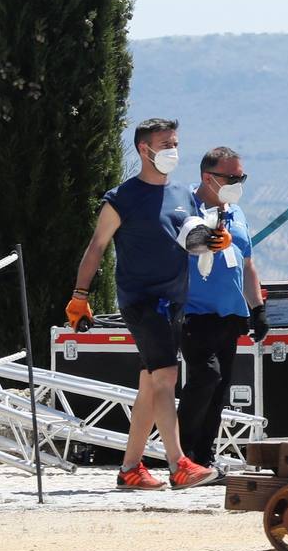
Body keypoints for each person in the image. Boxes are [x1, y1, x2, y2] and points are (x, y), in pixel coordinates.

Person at [65, 118, 226, 491]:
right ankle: (178, 464)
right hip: (141, 302)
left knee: (149, 385)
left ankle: (130, 469)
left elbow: (191, 241)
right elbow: (97, 247)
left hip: (174, 302)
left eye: (175, 143)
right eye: (165, 144)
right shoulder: (122, 198)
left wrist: (213, 243)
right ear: (144, 149)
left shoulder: (184, 196)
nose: (173, 150)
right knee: (167, 378)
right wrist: (80, 295)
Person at [177, 146, 268, 474]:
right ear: (207, 177)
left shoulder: (237, 213)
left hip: (231, 314)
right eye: (231, 177)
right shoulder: (185, 205)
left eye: (240, 177)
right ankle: (180, 451)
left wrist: (257, 308)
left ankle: (204, 457)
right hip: (195, 312)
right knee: (206, 376)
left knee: (219, 388)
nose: (237, 182)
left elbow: (247, 262)